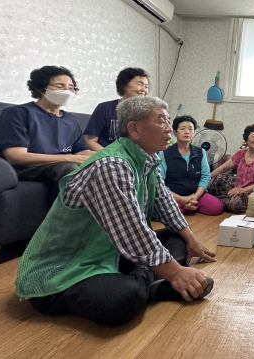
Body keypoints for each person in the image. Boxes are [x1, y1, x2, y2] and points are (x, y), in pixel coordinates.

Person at [15, 96, 217, 326]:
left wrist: (192, 241)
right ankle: (151, 285)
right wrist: (176, 273)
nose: (170, 128)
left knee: (178, 239)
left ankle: (149, 280)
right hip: (68, 267)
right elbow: (132, 232)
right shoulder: (112, 165)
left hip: (112, 250)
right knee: (123, 298)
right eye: (162, 120)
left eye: (168, 120)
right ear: (134, 128)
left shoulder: (148, 159)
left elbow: (165, 203)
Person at [0, 65, 93, 204]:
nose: (67, 91)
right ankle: (62, 222)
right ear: (41, 88)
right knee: (69, 168)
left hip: (60, 165)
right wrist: (70, 158)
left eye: (71, 88)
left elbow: (81, 152)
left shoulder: (70, 121)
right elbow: (16, 156)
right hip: (24, 168)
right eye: (59, 86)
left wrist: (107, 157)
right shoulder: (18, 113)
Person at [159, 115, 224, 216]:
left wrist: (196, 196)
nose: (187, 132)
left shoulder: (200, 152)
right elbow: (160, 182)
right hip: (174, 195)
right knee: (170, 210)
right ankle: (187, 206)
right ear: (175, 132)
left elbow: (205, 176)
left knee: (216, 208)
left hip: (195, 194)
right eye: (183, 128)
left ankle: (190, 205)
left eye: (191, 129)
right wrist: (181, 199)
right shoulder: (164, 153)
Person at [208, 124, 254, 213]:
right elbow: (224, 168)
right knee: (217, 179)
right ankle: (212, 200)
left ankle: (217, 202)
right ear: (246, 139)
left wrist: (242, 190)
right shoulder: (241, 153)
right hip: (239, 186)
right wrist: (206, 178)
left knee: (235, 204)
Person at [84, 67, 149, 151]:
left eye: (146, 86)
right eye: (139, 84)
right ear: (124, 85)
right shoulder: (104, 108)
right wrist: (110, 155)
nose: (144, 90)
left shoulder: (145, 114)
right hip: (106, 156)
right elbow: (90, 141)